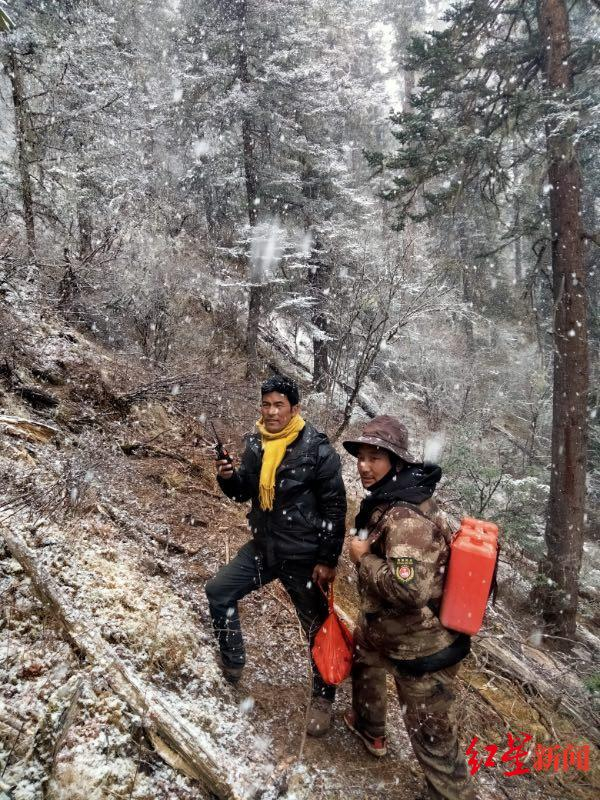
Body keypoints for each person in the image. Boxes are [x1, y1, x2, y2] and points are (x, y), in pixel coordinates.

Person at [343, 415, 477, 800]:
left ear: (397, 463)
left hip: (422, 649)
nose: (364, 466)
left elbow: (409, 591)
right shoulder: (393, 496)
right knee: (363, 656)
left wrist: (362, 559)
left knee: (435, 747)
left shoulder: (405, 518)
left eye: (375, 458)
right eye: (361, 456)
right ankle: (371, 729)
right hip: (385, 630)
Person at [205, 374, 347, 736]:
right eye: (266, 404)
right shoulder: (256, 444)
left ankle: (323, 698)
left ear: (294, 409)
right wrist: (227, 477)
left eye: (278, 405)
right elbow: (243, 493)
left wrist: (328, 560)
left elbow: (335, 509)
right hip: (265, 548)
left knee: (316, 629)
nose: (271, 411)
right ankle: (233, 661)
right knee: (219, 591)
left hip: (304, 556)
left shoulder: (317, 450)